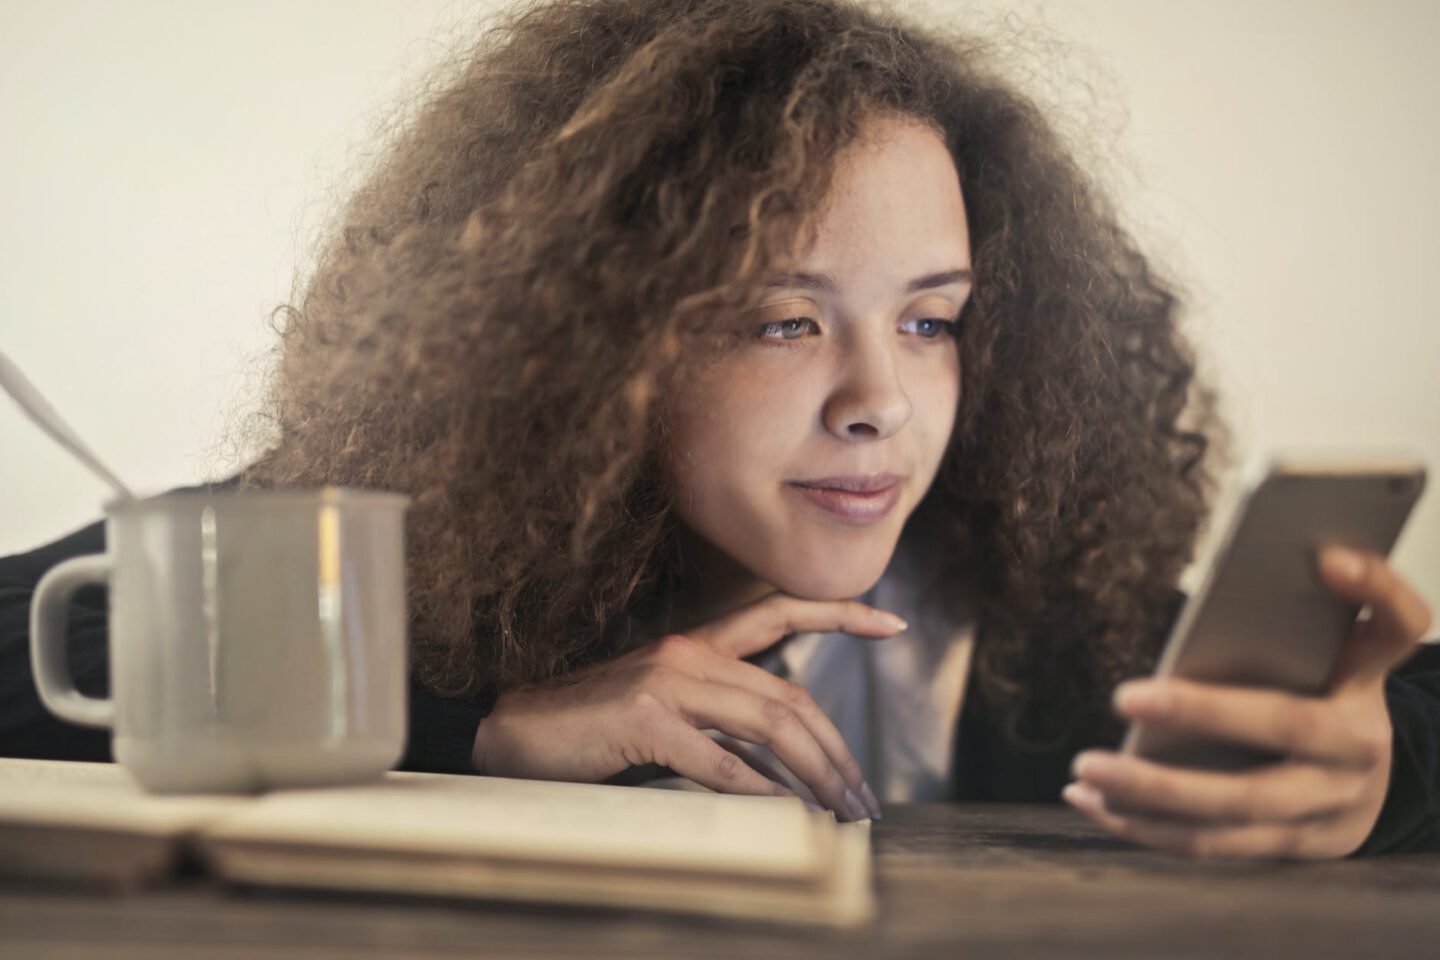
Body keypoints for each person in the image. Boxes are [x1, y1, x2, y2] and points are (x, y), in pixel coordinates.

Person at [2, 0, 1436, 860]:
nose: (880, 396)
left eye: (931, 319)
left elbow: (1390, 722)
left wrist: (1379, 771)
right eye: (780, 319)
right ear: (589, 342)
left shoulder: (1026, 598)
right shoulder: (381, 547)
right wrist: (477, 731)